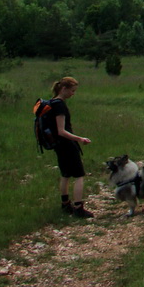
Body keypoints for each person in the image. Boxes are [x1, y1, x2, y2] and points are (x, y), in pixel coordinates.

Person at [49, 76, 94, 218]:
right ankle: (78, 207)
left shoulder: (51, 103)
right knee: (79, 175)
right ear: (64, 89)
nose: (73, 94)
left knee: (65, 174)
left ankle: (65, 203)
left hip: (58, 145)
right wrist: (80, 139)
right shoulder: (60, 105)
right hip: (67, 145)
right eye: (72, 91)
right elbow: (61, 130)